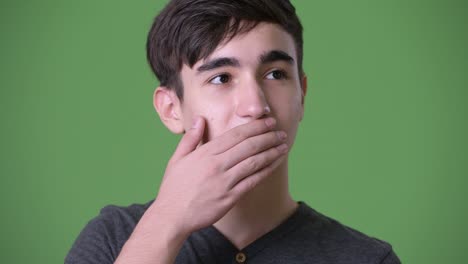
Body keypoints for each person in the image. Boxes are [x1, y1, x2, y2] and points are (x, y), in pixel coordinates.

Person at [66, 0, 401, 263]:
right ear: (171, 109)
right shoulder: (113, 239)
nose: (256, 106)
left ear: (302, 94)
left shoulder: (367, 258)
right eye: (221, 78)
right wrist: (166, 222)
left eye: (275, 75)